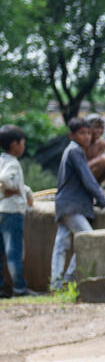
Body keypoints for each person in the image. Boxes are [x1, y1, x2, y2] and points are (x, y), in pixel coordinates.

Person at [50, 118, 105, 290]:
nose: (87, 137)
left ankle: (56, 283)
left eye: (88, 133)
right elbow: (88, 178)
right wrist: (102, 200)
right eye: (82, 133)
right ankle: (68, 279)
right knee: (88, 239)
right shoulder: (76, 151)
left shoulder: (71, 151)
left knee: (61, 244)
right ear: (72, 135)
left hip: (65, 204)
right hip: (72, 205)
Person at [0, 125, 37, 296]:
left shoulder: (2, 160)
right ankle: (19, 287)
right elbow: (7, 180)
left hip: (2, 210)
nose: (24, 146)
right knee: (14, 251)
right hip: (12, 211)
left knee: (2, 251)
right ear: (15, 144)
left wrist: (25, 191)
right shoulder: (13, 163)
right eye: (22, 143)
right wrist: (11, 188)